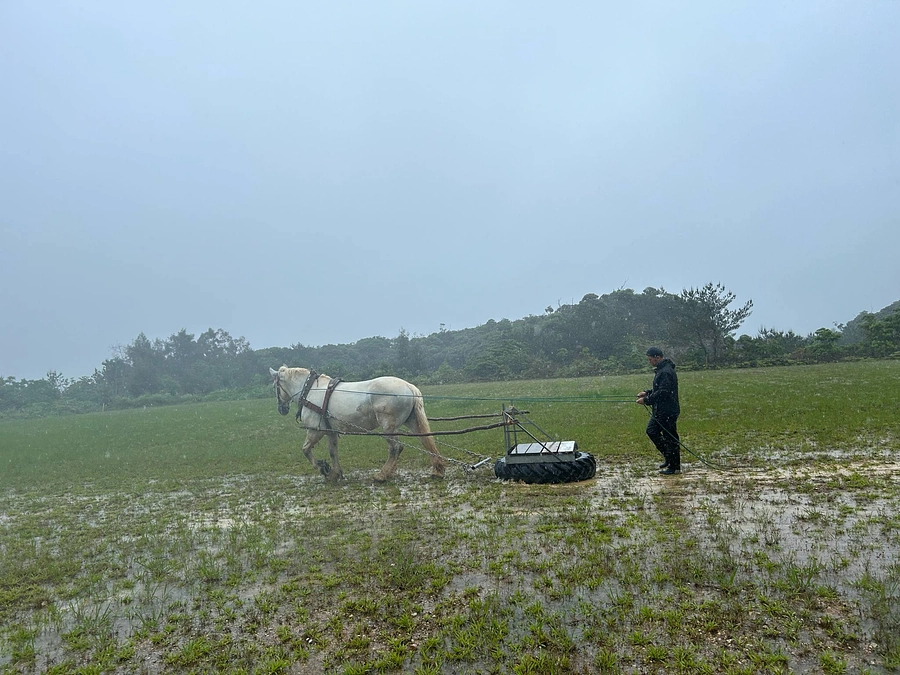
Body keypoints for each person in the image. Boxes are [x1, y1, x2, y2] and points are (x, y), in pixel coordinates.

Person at [637, 346, 681, 475]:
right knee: (651, 431)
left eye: (650, 359)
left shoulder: (666, 372)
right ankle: (668, 456)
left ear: (657, 357)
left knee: (670, 438)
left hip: (668, 410)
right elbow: (658, 389)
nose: (649, 361)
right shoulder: (661, 370)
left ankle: (674, 467)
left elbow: (664, 392)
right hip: (660, 410)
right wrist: (647, 393)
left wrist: (646, 400)